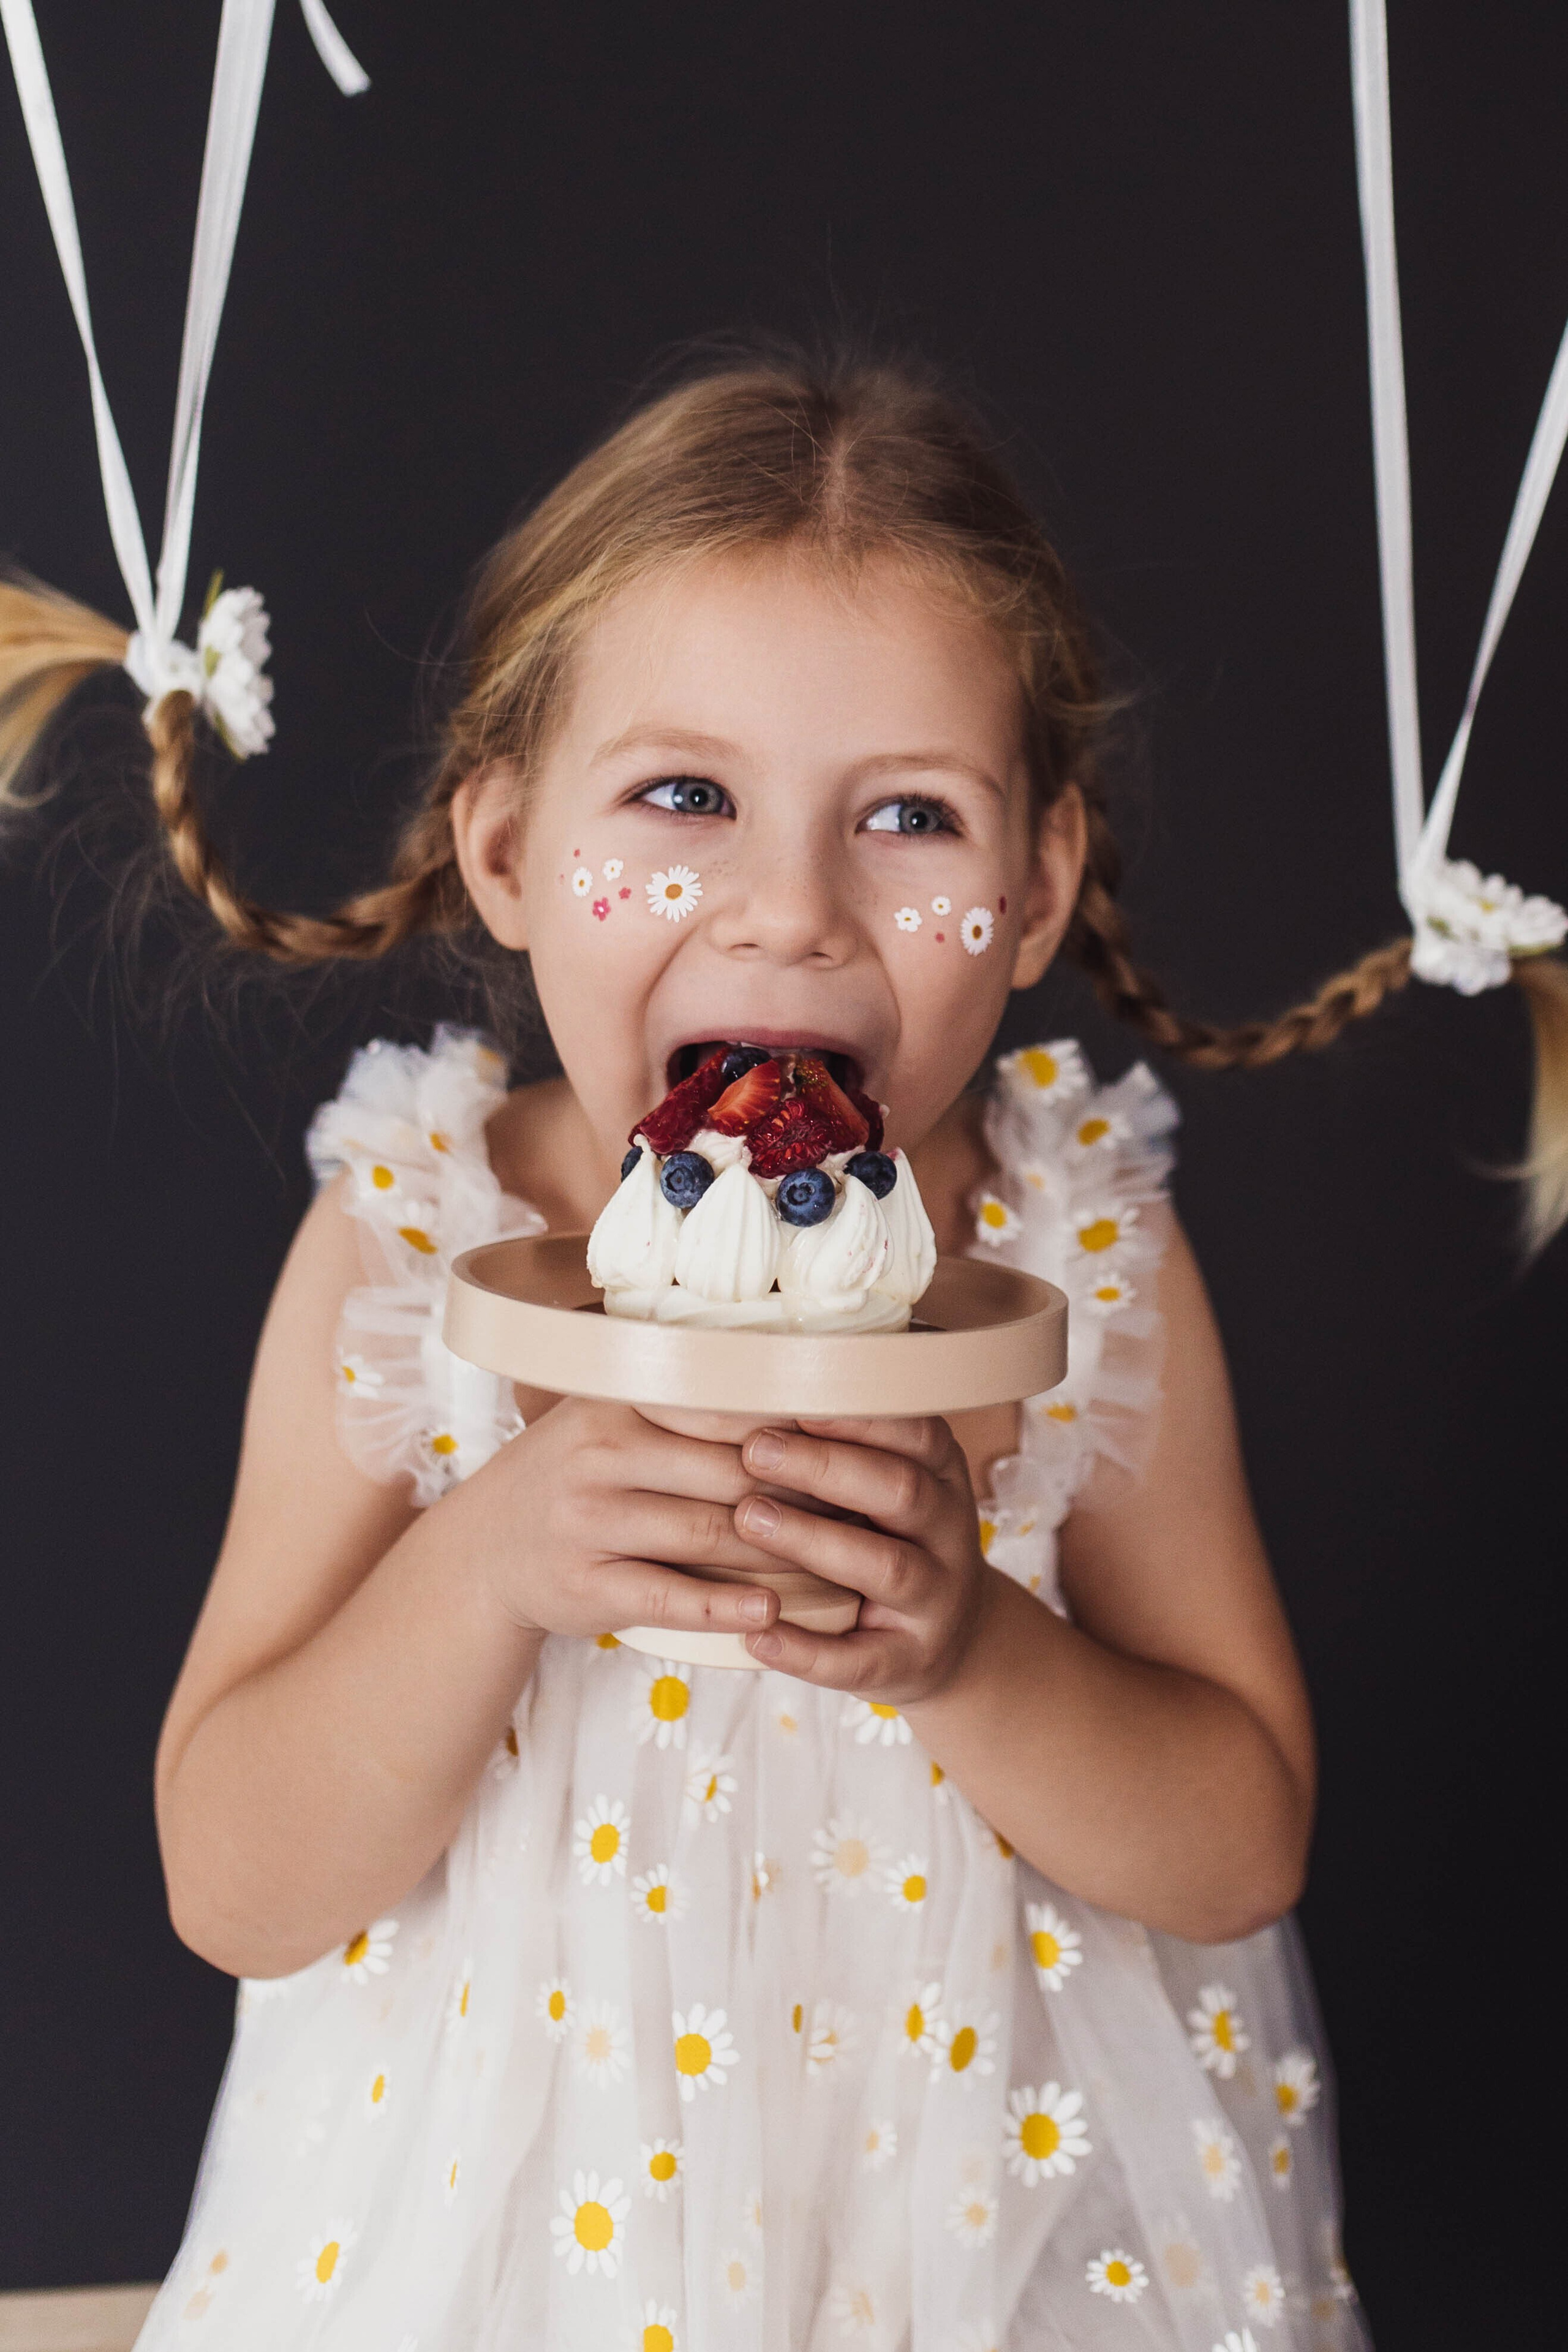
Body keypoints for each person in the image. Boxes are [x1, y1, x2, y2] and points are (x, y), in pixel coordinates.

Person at [18, 348, 1509, 2352]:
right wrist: (486, 1565)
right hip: (509, 2257)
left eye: (907, 817)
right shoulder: (411, 1241)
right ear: (509, 851)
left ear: (1038, 884)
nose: (793, 911)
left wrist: (976, 1646)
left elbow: (1239, 1843)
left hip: (997, 2247)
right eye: (686, 798)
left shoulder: (1082, 1258)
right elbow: (239, 1880)